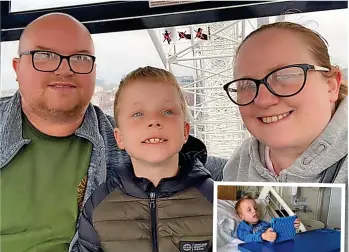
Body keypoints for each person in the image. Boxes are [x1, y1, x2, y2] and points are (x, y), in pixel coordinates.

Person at [0, 13, 223, 252]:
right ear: (17, 67)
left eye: (80, 58)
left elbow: (199, 169)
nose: (64, 69)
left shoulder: (131, 140)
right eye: (44, 56)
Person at [78, 66, 213, 252]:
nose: (154, 121)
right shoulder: (97, 206)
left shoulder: (215, 200)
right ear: (119, 138)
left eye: (167, 111)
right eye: (138, 114)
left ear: (185, 132)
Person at [222, 22, 348, 183]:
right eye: (246, 85)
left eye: (285, 76)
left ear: (331, 85)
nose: (263, 100)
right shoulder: (238, 163)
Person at [235, 195, 300, 243]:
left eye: (255, 208)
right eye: (249, 210)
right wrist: (263, 236)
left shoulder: (264, 223)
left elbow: (277, 230)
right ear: (242, 216)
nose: (254, 211)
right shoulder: (243, 227)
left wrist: (291, 225)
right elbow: (246, 238)